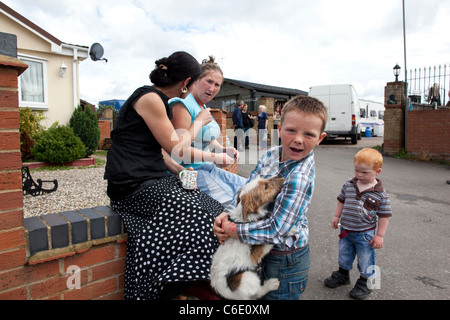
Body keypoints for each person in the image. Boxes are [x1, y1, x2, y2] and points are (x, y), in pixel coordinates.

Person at [104, 51, 224, 300]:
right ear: (186, 83)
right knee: (201, 220)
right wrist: (199, 122)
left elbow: (158, 151)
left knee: (213, 208)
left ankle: (194, 280)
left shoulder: (157, 100)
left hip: (152, 178)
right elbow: (176, 146)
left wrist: (181, 172)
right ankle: (175, 284)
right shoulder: (150, 98)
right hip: (132, 185)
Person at [213, 95, 328, 300]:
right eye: (291, 130)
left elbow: (277, 230)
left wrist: (233, 230)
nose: (298, 139)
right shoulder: (271, 155)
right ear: (279, 127)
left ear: (320, 138)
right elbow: (246, 191)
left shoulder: (298, 177)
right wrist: (226, 214)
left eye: (309, 134)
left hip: (286, 261)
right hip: (259, 249)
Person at [169, 56, 246, 205]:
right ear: (196, 79)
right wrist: (214, 157)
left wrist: (222, 149)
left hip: (209, 168)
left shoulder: (203, 108)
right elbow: (178, 151)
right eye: (209, 81)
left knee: (250, 189)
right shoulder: (183, 105)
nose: (212, 88)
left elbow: (207, 140)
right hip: (191, 172)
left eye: (217, 84)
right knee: (234, 204)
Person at [324, 148, 392, 299]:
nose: (359, 175)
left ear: (377, 171)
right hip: (346, 230)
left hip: (365, 234)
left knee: (366, 257)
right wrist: (337, 216)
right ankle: (343, 274)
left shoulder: (380, 193)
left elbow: (384, 215)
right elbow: (341, 200)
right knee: (344, 254)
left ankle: (365, 281)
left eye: (365, 172)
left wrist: (380, 235)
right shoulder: (349, 184)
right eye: (357, 170)